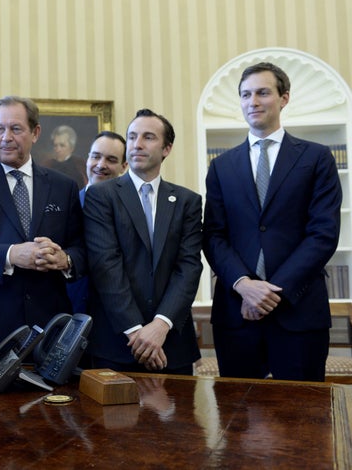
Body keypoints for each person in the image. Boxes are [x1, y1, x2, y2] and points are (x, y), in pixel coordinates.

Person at [202, 62, 342, 382]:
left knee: (302, 421)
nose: (253, 101)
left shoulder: (317, 158)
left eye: (263, 93)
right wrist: (244, 285)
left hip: (298, 312)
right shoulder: (222, 166)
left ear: (284, 98)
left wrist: (270, 292)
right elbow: (213, 235)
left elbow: (323, 234)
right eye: (245, 94)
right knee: (236, 425)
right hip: (237, 315)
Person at [0, 96, 86, 368]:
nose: (6, 137)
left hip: (51, 326)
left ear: (35, 133)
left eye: (16, 129)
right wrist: (10, 255)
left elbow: (82, 249)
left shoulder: (64, 186)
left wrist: (65, 260)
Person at [84, 108, 202, 375]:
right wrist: (138, 333)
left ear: (167, 148)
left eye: (148, 137)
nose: (137, 144)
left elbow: (189, 267)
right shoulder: (102, 196)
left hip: (172, 342)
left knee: (176, 417)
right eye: (133, 136)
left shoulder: (187, 201)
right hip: (118, 343)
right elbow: (106, 266)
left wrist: (160, 325)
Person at [67, 131, 127, 314]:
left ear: (124, 166)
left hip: (117, 313)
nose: (101, 165)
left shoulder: (132, 210)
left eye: (111, 159)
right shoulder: (68, 204)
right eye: (96, 156)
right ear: (87, 159)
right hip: (72, 309)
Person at [49, 125, 87, 189]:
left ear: (72, 147)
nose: (58, 149)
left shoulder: (79, 166)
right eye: (55, 145)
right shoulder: (48, 164)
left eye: (62, 145)